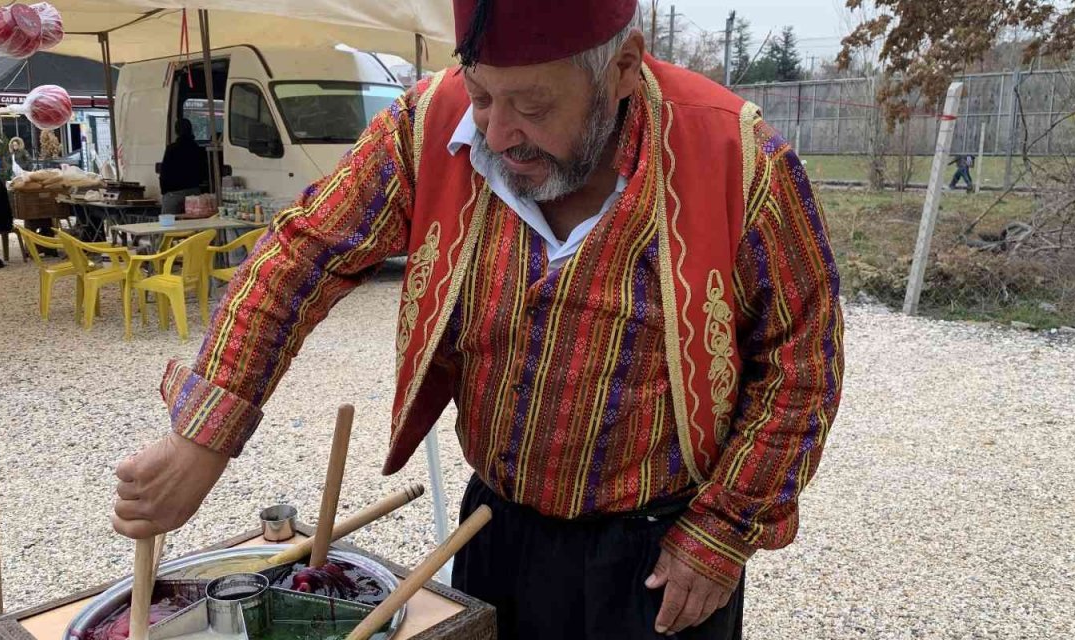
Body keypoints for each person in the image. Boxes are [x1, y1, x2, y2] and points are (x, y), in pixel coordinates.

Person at [112, 1, 843, 638]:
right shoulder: (430, 122)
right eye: (482, 92)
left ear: (622, 68)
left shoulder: (739, 158)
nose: (495, 133)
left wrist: (721, 532)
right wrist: (201, 436)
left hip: (661, 555)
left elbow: (802, 363)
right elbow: (304, 253)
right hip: (494, 528)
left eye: (532, 104)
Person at [157, 118, 208, 215]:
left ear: (176, 132)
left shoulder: (171, 149)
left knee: (168, 226)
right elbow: (203, 171)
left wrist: (164, 191)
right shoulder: (198, 149)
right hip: (194, 192)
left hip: (174, 194)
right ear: (191, 130)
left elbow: (165, 172)